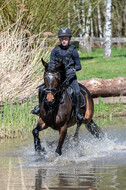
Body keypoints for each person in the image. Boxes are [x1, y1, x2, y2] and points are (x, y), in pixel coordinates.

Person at [31, 27, 85, 123]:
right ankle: (39, 108)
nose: (64, 41)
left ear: (69, 39)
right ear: (59, 39)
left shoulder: (73, 51)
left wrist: (73, 69)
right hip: (58, 78)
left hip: (70, 77)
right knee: (41, 89)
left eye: (66, 39)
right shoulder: (55, 50)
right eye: (62, 39)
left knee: (76, 92)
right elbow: (51, 65)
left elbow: (79, 66)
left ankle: (78, 114)